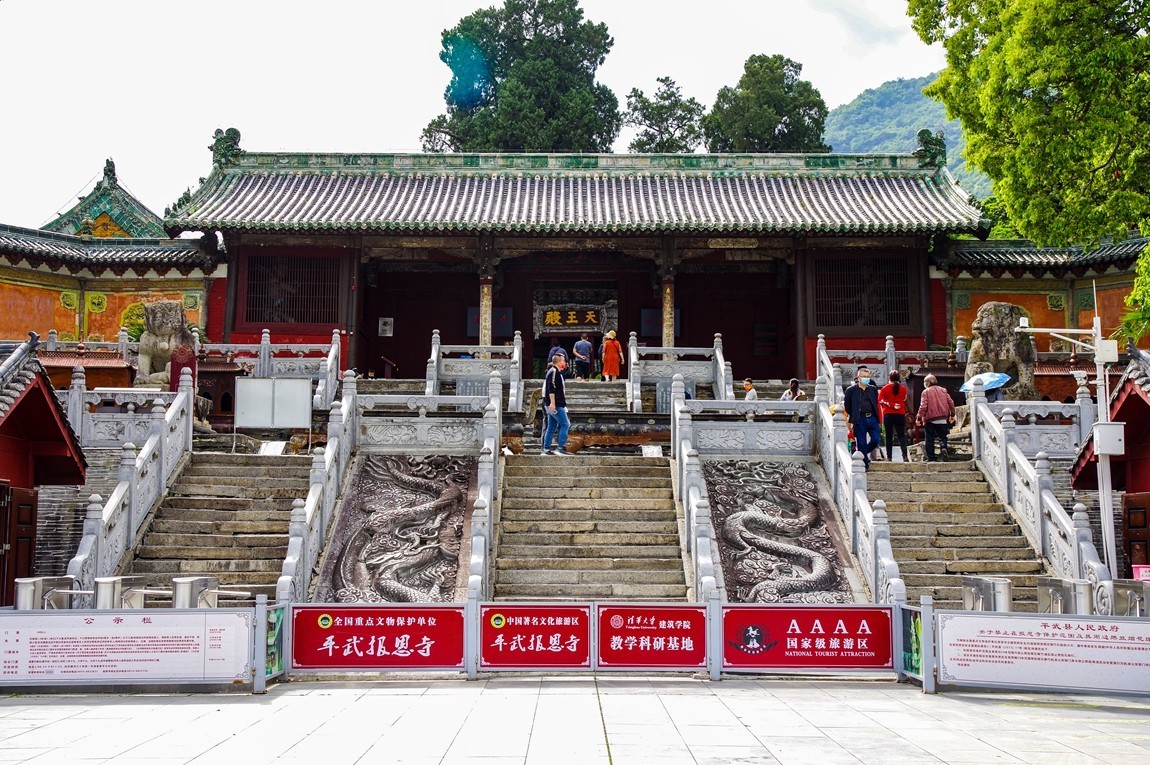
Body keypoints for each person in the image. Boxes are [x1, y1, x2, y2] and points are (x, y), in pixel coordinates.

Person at [843, 366, 882, 469]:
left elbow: (875, 403)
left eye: (868, 377)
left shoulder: (873, 389)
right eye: (864, 376)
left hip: (872, 418)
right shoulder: (851, 390)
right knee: (861, 442)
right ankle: (864, 464)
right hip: (860, 419)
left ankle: (864, 452)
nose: (866, 378)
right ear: (858, 377)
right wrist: (854, 415)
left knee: (875, 439)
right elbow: (847, 406)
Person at [916, 374, 956, 462]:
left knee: (929, 438)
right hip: (942, 418)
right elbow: (951, 403)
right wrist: (952, 415)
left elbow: (923, 406)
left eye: (925, 382)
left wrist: (918, 417)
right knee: (942, 437)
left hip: (930, 419)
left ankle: (931, 457)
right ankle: (943, 447)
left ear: (928, 382)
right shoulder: (943, 390)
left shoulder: (926, 392)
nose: (925, 384)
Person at [541, 354, 573, 456]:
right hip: (555, 404)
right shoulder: (554, 371)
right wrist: (553, 403)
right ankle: (560, 447)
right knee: (565, 424)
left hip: (554, 403)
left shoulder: (556, 372)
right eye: (563, 361)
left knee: (551, 427)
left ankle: (546, 449)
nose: (564, 363)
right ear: (559, 362)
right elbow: (551, 388)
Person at [878, 370, 910, 463]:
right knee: (901, 435)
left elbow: (880, 400)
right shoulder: (903, 388)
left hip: (888, 414)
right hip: (900, 413)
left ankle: (889, 457)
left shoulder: (885, 388)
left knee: (888, 436)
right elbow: (904, 398)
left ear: (889, 378)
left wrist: (891, 405)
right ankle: (904, 455)